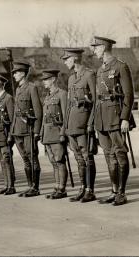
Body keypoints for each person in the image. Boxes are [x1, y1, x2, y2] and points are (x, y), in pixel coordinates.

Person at [91, 36, 135, 205]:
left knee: (120, 154)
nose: (93, 50)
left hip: (116, 117)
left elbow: (128, 95)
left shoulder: (120, 66)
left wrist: (125, 118)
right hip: (102, 117)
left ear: (103, 47)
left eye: (95, 47)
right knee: (109, 155)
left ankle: (122, 193)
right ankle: (114, 190)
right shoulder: (100, 69)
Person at [62, 48, 97, 203]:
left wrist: (91, 123)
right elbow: (69, 104)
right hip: (72, 124)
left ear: (75, 59)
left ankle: (90, 190)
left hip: (84, 124)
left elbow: (95, 101)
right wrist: (65, 127)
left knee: (87, 157)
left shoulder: (89, 74)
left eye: (66, 59)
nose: (65, 62)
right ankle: (82, 188)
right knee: (78, 158)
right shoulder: (71, 79)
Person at [10, 61, 43, 197]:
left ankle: (35, 187)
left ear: (23, 73)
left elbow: (38, 111)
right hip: (18, 129)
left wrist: (36, 131)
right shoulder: (18, 89)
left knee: (32, 158)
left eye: (16, 73)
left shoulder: (31, 88)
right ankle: (30, 186)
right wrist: (12, 130)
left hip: (28, 129)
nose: (14, 75)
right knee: (25, 159)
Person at [40, 69, 68, 199]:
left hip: (57, 133)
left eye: (46, 80)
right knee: (53, 162)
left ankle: (62, 189)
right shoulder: (47, 97)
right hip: (47, 134)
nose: (44, 82)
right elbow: (44, 118)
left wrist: (63, 133)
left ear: (52, 80)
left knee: (59, 161)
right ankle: (57, 187)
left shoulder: (62, 94)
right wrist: (41, 133)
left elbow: (65, 116)